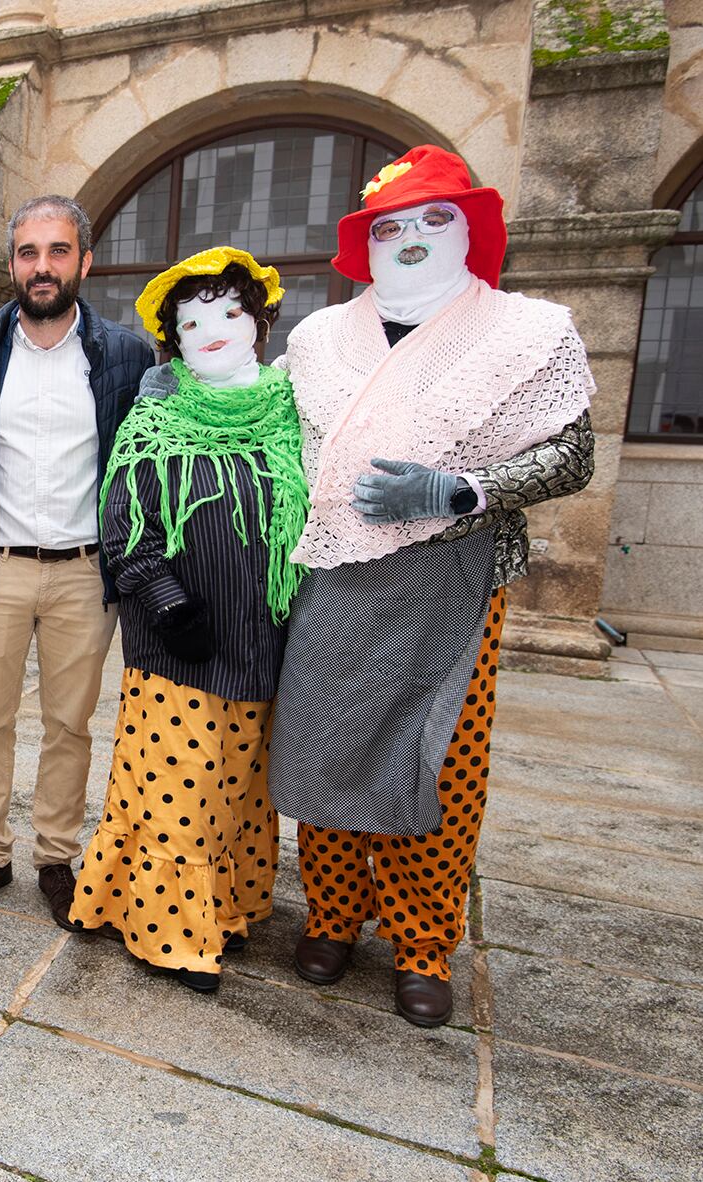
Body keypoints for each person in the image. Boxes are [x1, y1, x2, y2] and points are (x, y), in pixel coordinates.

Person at [269, 145, 596, 1027]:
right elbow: (272, 436)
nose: (411, 238)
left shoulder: (521, 335)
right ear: (365, 242)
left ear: (472, 231)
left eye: (433, 219)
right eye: (392, 225)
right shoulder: (320, 338)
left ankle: (422, 941)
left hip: (453, 574)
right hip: (333, 574)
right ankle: (333, 917)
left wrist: (463, 490)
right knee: (326, 745)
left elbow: (573, 456)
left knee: (440, 761)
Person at [67, 248, 305, 994]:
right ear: (171, 337)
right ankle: (173, 936)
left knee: (237, 788)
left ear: (259, 324)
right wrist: (166, 601)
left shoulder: (289, 413)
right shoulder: (155, 417)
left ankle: (220, 906)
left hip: (264, 640)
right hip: (179, 645)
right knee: (181, 789)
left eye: (229, 313)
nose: (212, 330)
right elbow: (122, 526)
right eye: (192, 319)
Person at [0, 195, 153, 927]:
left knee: (70, 722)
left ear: (84, 262)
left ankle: (55, 856)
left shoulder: (125, 355)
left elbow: (140, 464)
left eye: (58, 251)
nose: (42, 266)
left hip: (87, 572)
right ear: (11, 266)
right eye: (29, 252)